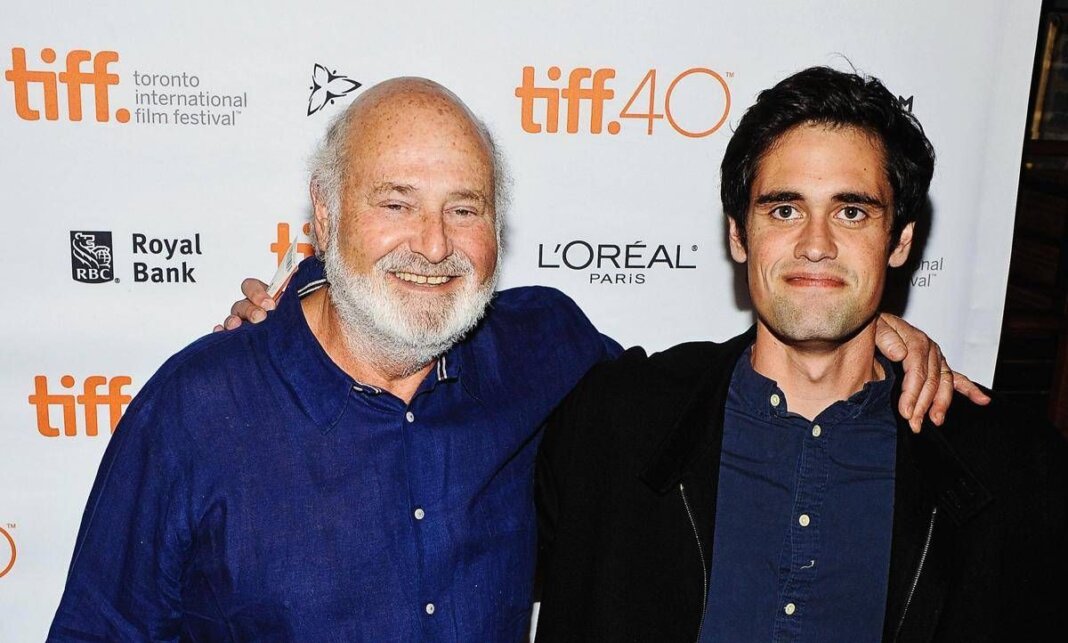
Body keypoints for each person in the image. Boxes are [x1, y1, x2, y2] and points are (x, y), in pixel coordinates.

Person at [50, 76, 978, 641]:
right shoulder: (198, 408)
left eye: (465, 208)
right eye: (395, 202)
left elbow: (699, 394)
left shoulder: (544, 351)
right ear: (325, 217)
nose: (433, 243)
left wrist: (864, 328)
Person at [533, 66, 1068, 642]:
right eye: (784, 210)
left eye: (851, 212)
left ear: (900, 241)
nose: (816, 245)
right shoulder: (615, 424)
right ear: (739, 234)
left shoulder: (1012, 468)